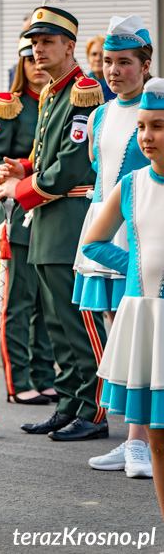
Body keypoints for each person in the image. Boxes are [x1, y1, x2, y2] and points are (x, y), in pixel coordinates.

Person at [0, 6, 109, 442]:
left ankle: (95, 411)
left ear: (69, 45)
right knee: (57, 325)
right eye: (33, 43)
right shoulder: (52, 92)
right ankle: (70, 403)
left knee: (79, 323)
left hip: (68, 217)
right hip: (45, 219)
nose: (37, 50)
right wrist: (22, 165)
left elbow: (71, 167)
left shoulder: (84, 91)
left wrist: (21, 187)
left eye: (46, 42)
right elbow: (48, 157)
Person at [74, 15, 153, 477]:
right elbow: (99, 176)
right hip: (103, 232)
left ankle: (141, 441)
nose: (113, 70)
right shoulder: (100, 113)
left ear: (145, 65)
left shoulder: (155, 111)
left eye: (124, 62)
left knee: (142, 338)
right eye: (107, 61)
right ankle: (133, 439)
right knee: (118, 337)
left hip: (142, 232)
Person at [82, 76, 164, 516]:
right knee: (157, 437)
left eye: (159, 127)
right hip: (147, 319)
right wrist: (134, 271)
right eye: (144, 127)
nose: (148, 137)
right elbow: (94, 243)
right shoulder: (132, 185)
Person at [0, 37, 57, 405]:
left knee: (46, 306)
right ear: (22, 66)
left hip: (52, 214)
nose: (38, 66)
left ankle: (45, 376)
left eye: (42, 58)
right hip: (17, 215)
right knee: (20, 303)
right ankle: (19, 381)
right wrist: (17, 170)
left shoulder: (61, 102)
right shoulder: (11, 106)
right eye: (30, 60)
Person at [86, 35, 118, 102]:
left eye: (102, 54)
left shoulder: (118, 84)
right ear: (88, 58)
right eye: (94, 54)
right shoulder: (82, 86)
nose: (97, 59)